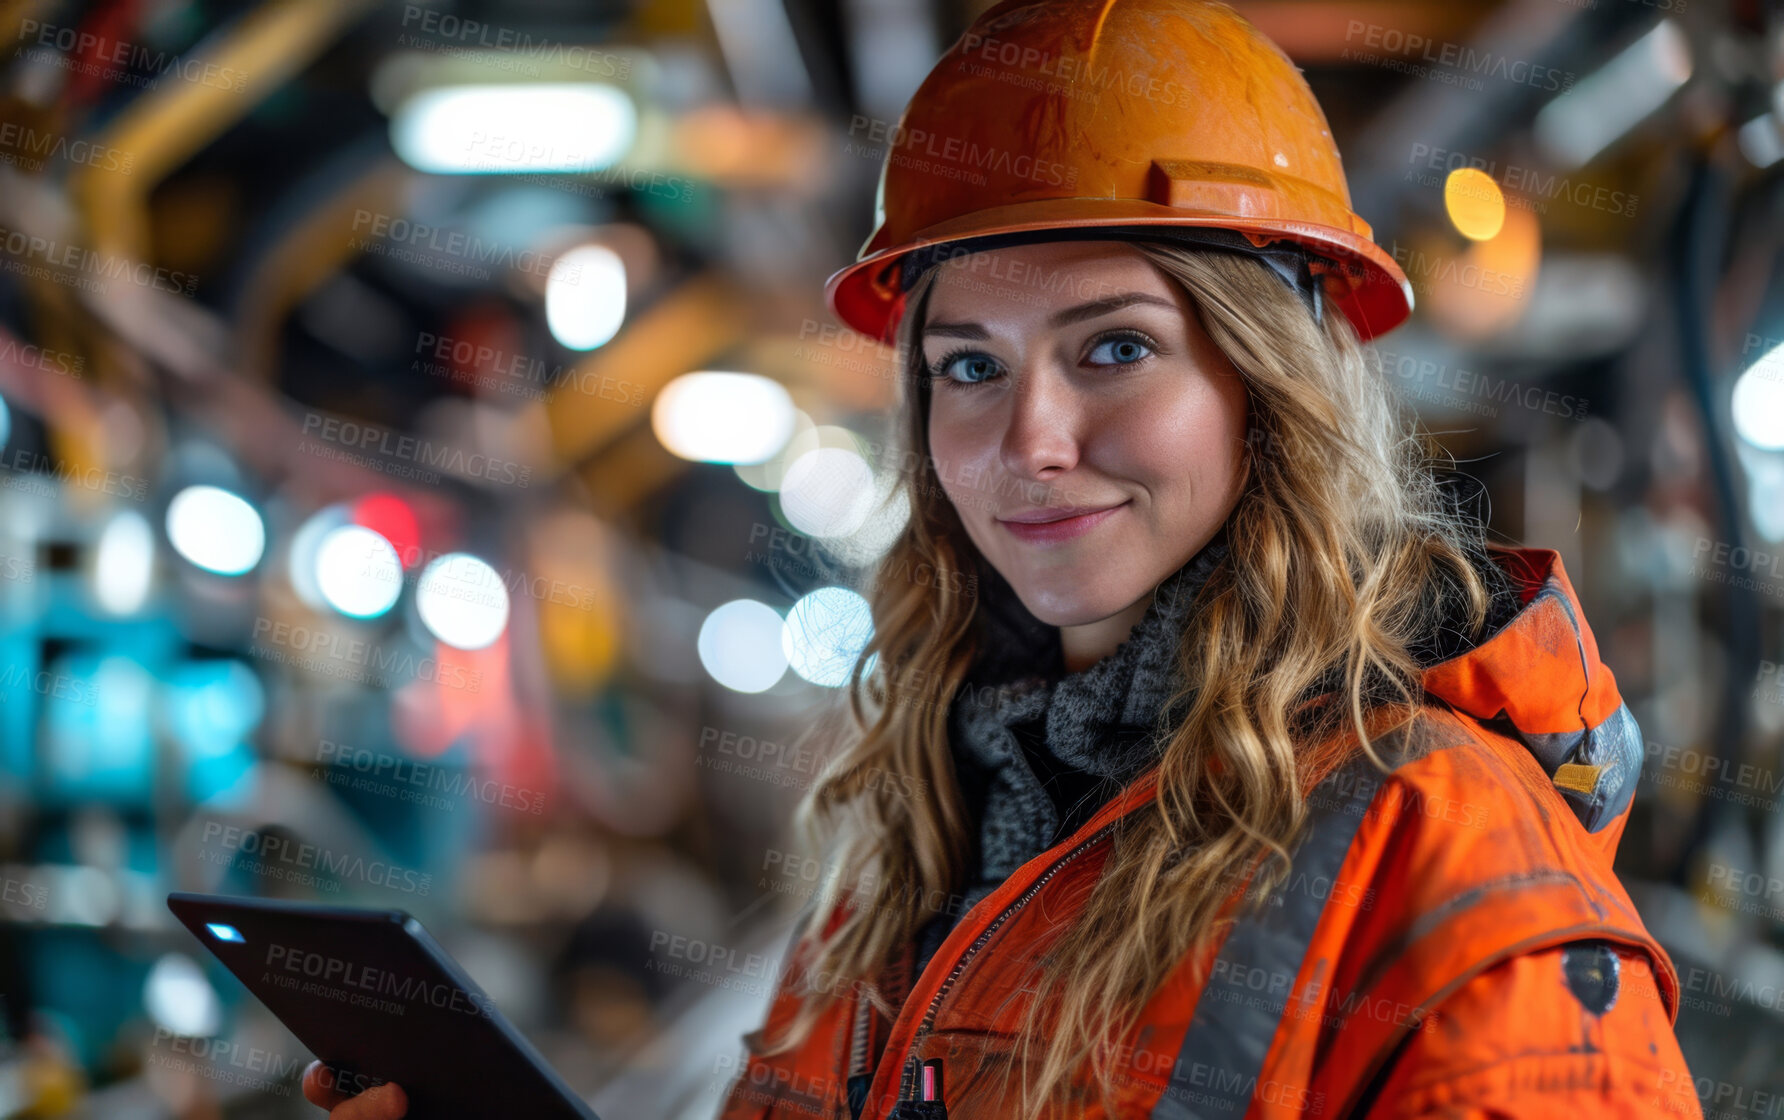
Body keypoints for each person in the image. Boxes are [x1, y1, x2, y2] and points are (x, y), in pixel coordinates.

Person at [303, 1, 1702, 1118]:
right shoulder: (925, 845)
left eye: (1114, 349)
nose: (1028, 440)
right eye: (969, 365)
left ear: (1270, 389)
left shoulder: (1450, 866)